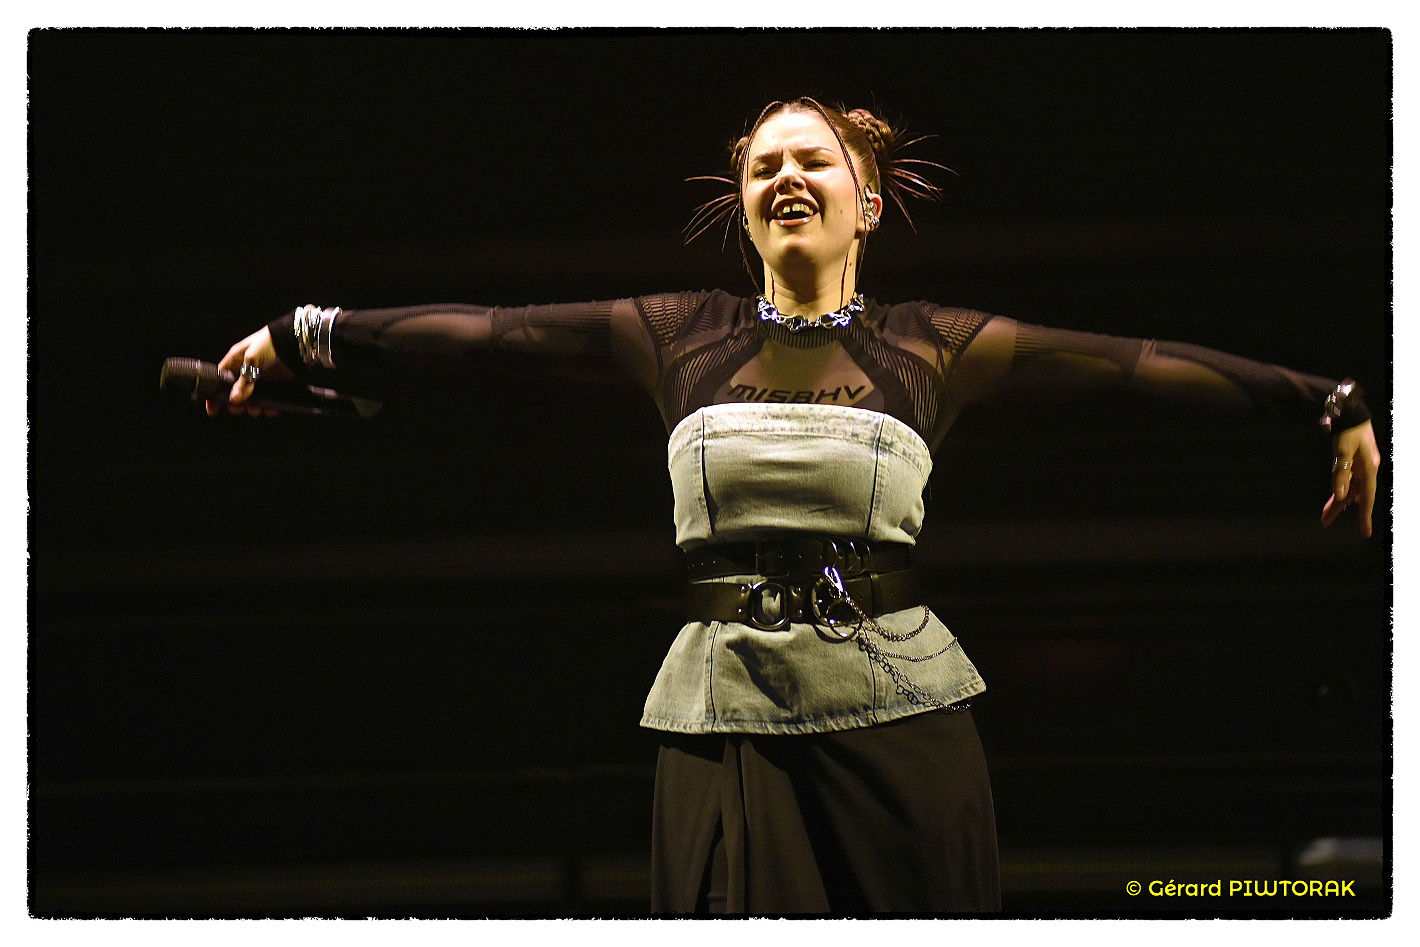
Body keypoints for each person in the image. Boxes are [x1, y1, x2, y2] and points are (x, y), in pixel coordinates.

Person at [205, 97, 1382, 915]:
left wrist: (1322, 400)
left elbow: (1135, 364)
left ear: (865, 204)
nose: (784, 177)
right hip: (725, 713)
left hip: (901, 712)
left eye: (811, 160)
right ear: (743, 207)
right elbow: (484, 334)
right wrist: (306, 336)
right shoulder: (676, 332)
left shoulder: (932, 343)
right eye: (763, 166)